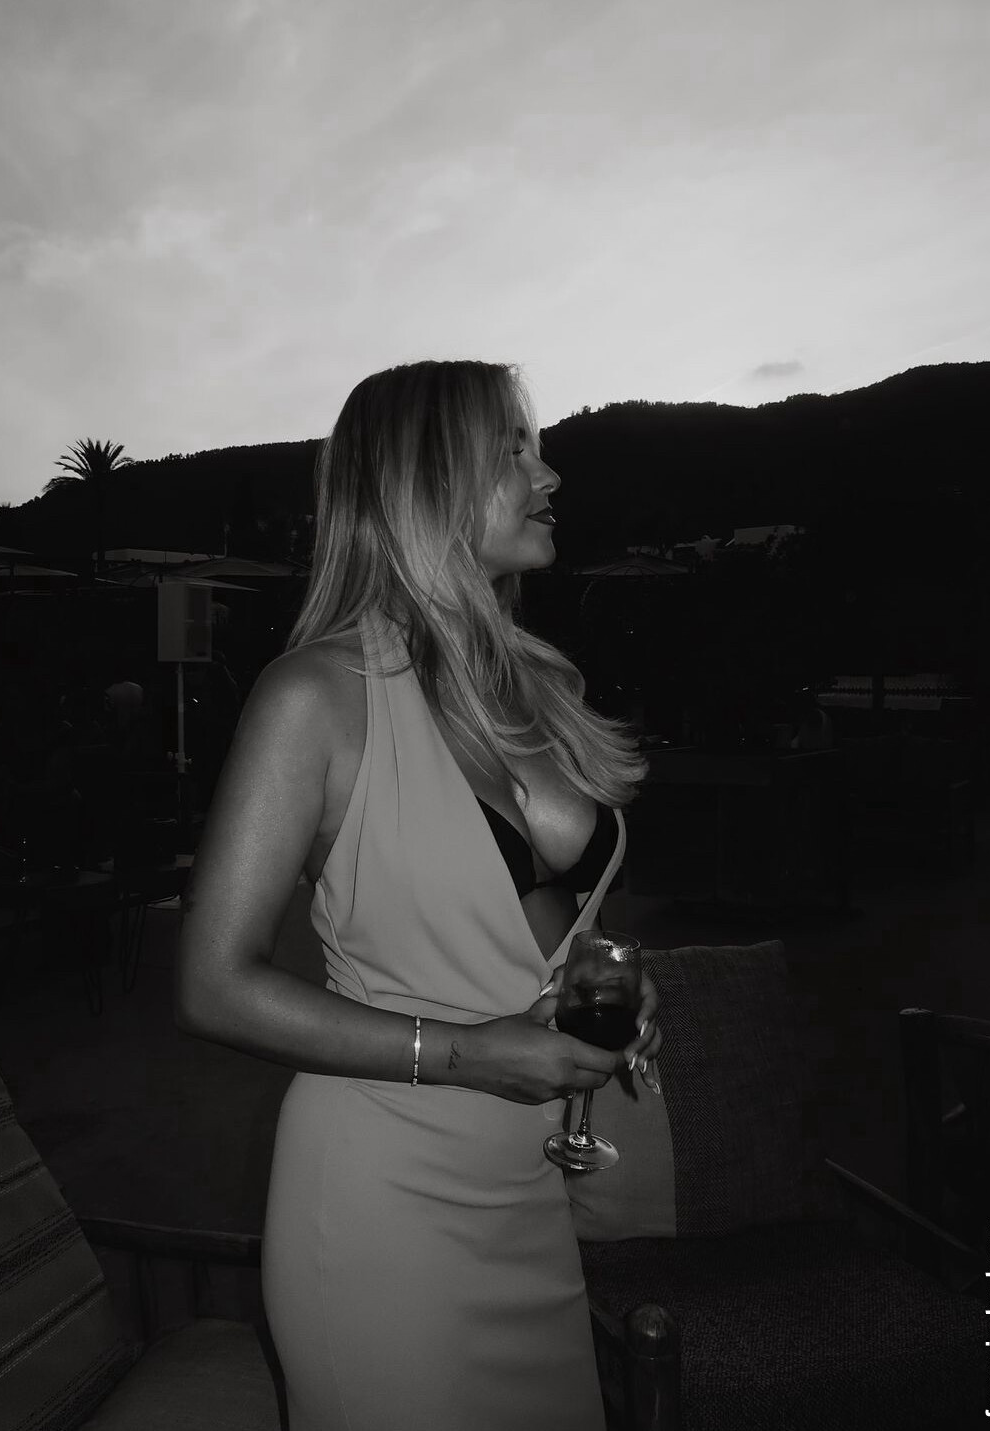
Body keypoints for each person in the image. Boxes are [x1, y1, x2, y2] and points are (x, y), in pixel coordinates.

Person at [176, 359, 663, 1431]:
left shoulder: (542, 683)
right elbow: (212, 985)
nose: (548, 474)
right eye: (512, 450)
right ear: (422, 482)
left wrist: (603, 986)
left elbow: (527, 915)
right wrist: (467, 1053)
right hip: (383, 1203)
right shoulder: (315, 696)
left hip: (529, 1189)